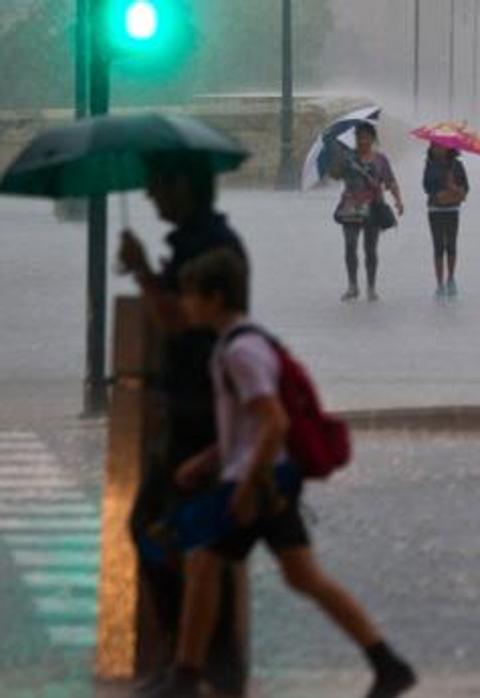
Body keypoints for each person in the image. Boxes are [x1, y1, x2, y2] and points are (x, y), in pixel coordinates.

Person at [145, 249, 417, 698]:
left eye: (192, 295)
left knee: (202, 562)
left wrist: (246, 485)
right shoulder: (243, 343)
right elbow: (252, 423)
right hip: (269, 475)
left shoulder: (240, 351)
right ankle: (387, 663)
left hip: (260, 479)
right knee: (298, 576)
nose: (186, 305)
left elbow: (274, 422)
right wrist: (211, 459)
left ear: (215, 297)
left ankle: (184, 678)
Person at [117, 152, 251, 697]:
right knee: (184, 538)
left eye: (157, 185)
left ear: (183, 185)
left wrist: (143, 268)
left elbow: (176, 319)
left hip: (203, 416)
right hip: (190, 409)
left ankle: (192, 665)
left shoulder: (207, 249)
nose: (150, 197)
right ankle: (202, 663)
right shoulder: (201, 241)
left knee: (159, 529)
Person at [331, 122, 404, 302]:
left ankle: (371, 287)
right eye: (359, 137)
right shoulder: (348, 157)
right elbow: (334, 175)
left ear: (373, 139)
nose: (362, 141)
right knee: (350, 245)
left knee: (370, 249)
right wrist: (338, 162)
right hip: (350, 206)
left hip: (373, 207)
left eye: (366, 137)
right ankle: (352, 286)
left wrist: (398, 200)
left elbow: (390, 181)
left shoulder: (380, 160)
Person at [422, 145, 469, 299]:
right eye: (434, 146)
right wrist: (440, 187)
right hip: (435, 209)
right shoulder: (430, 164)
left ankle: (451, 279)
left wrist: (453, 187)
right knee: (438, 246)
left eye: (440, 146)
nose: (437, 149)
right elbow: (426, 186)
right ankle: (439, 284)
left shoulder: (457, 165)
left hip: (452, 209)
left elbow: (466, 187)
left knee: (451, 245)